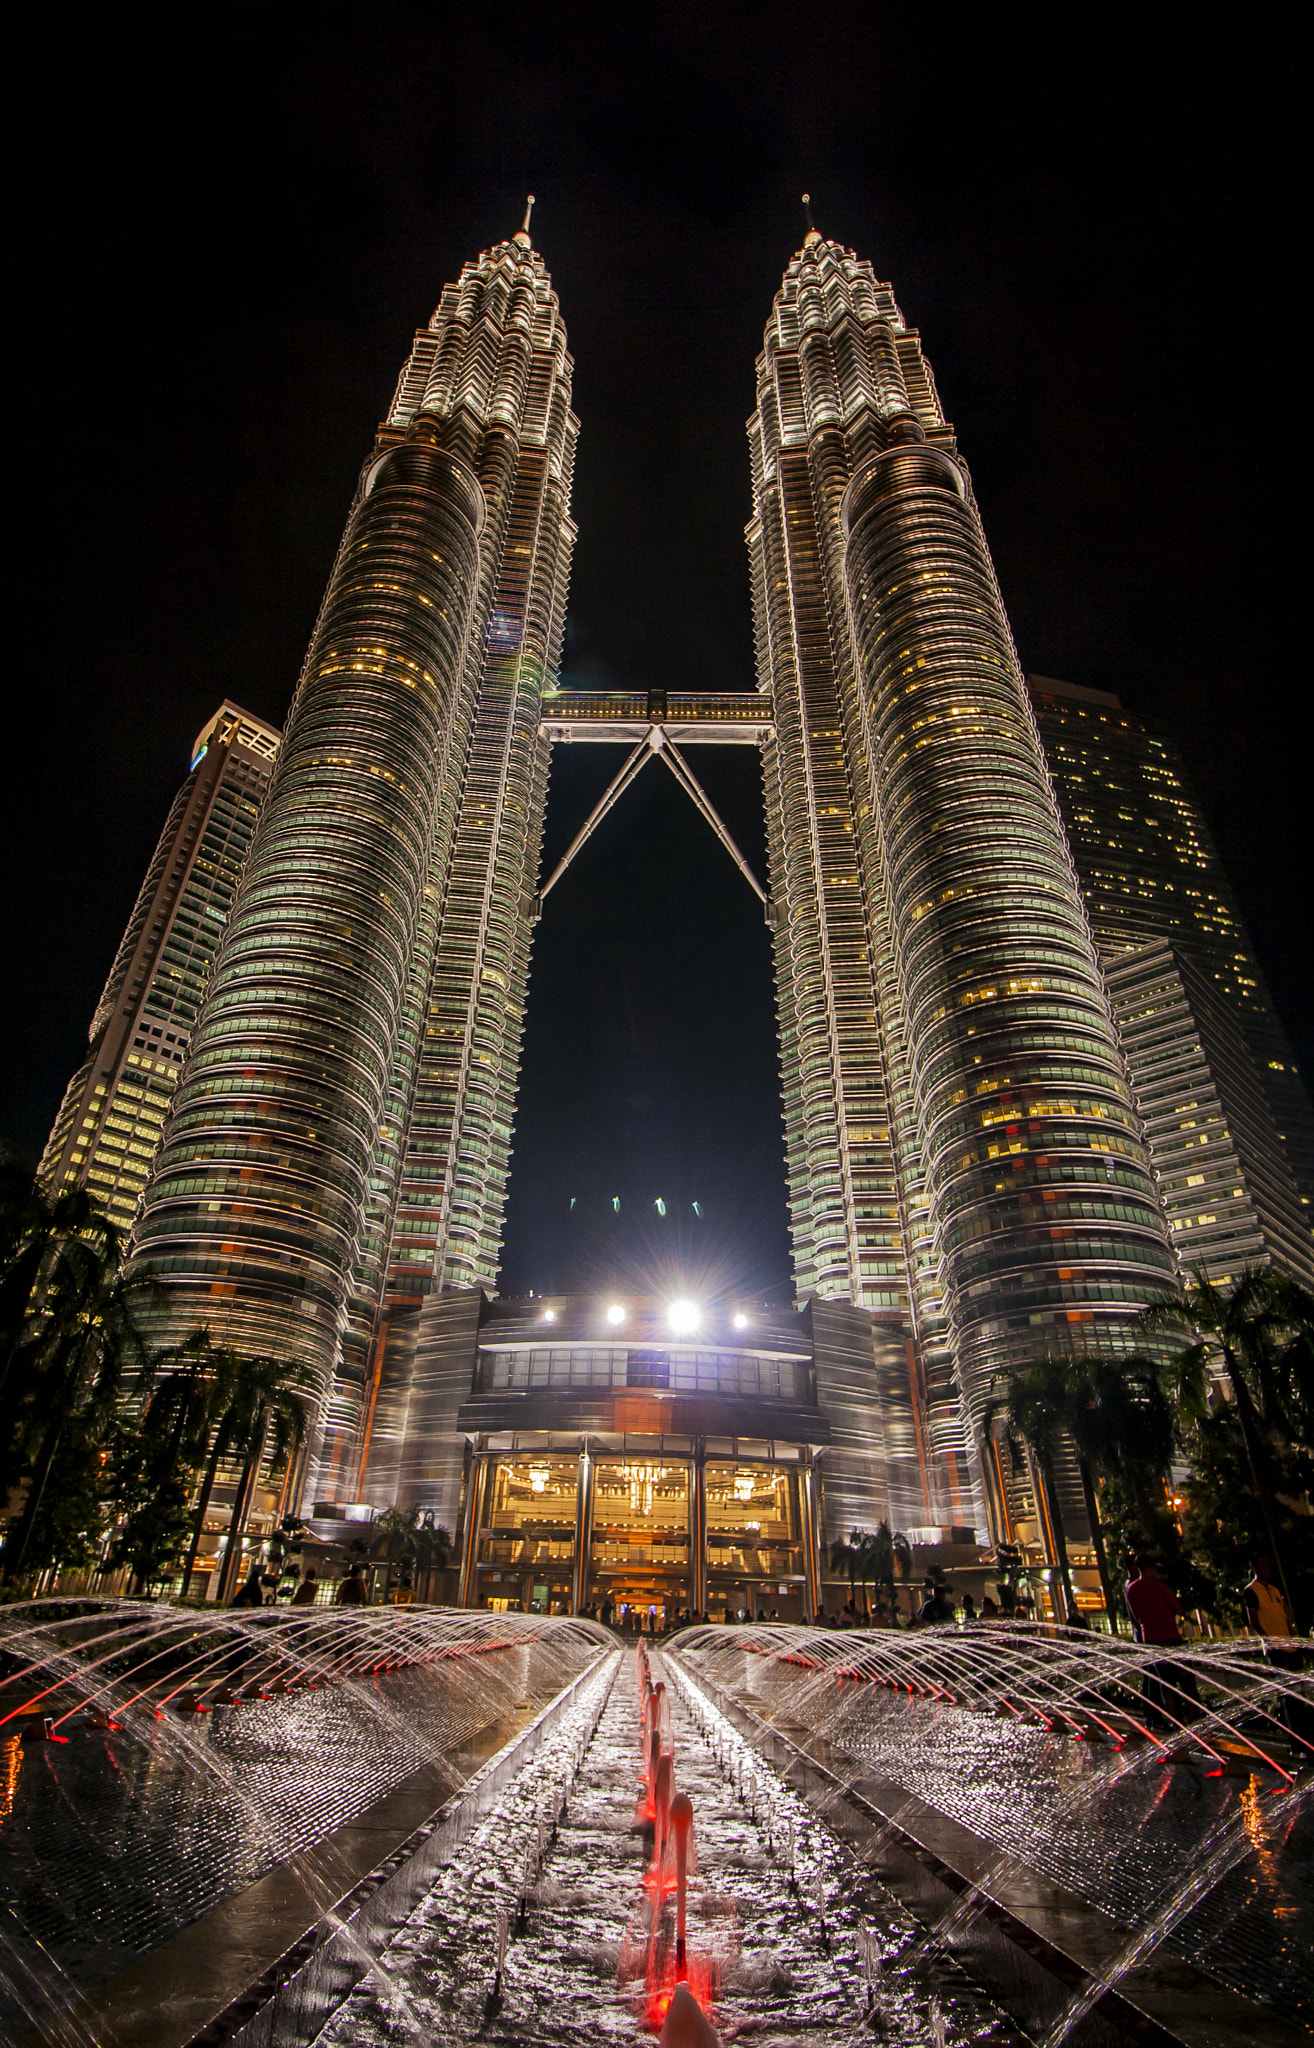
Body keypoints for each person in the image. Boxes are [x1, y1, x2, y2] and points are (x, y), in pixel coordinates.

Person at [1124, 1555, 1198, 1724]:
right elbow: (1178, 1609)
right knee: (1187, 1682)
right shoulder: (1159, 1585)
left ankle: (1176, 1723)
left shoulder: (1132, 1589)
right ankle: (1194, 1719)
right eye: (1154, 1568)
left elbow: (1135, 1616)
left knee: (1167, 1685)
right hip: (1171, 1638)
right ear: (1149, 1569)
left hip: (1151, 1641)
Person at [1243, 1555, 1295, 1640]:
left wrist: (1292, 1635)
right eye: (1262, 1565)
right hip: (1274, 1646)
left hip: (1287, 1643)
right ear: (1254, 1568)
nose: (1266, 1568)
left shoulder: (1274, 1590)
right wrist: (1269, 1640)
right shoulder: (1252, 1590)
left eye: (1267, 1565)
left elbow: (1283, 1615)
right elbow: (1254, 1621)